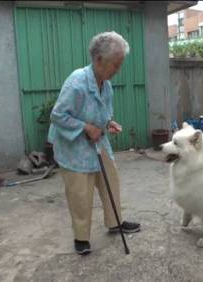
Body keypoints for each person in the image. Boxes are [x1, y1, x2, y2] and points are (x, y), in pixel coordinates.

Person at [48, 31, 140, 255]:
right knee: (81, 194)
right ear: (98, 60)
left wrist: (108, 123)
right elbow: (58, 115)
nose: (117, 70)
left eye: (120, 65)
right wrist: (85, 127)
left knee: (111, 180)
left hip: (97, 143)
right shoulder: (77, 82)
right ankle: (81, 238)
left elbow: (102, 113)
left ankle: (115, 221)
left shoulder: (106, 84)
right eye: (115, 65)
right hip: (73, 147)